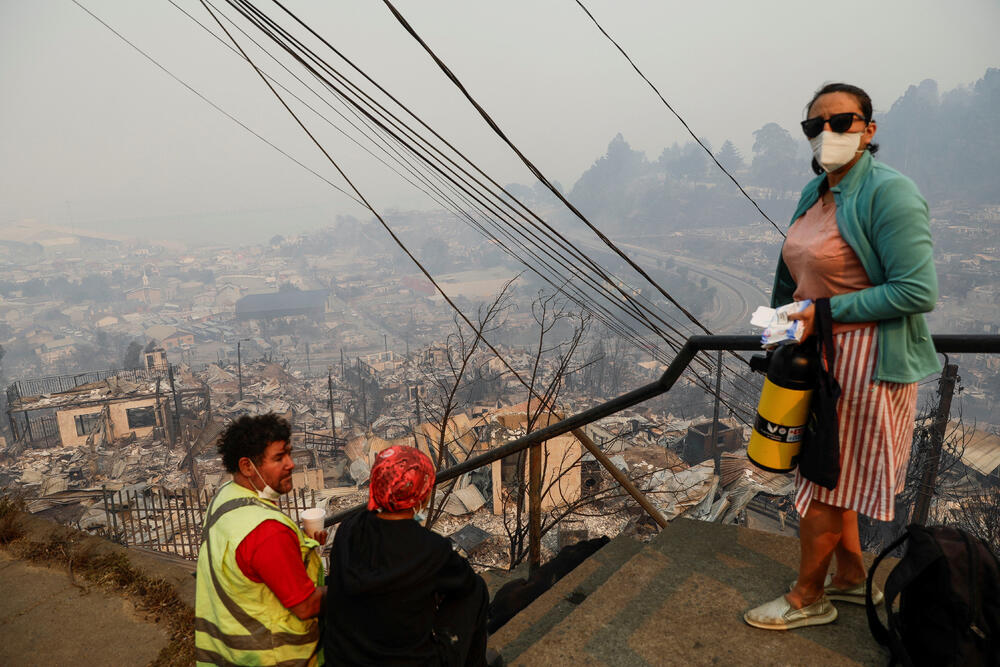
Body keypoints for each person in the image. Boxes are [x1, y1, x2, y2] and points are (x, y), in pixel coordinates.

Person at [744, 83, 939, 630]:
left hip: (867, 363)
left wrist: (822, 313)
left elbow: (917, 290)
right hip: (819, 353)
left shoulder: (890, 192)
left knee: (825, 480)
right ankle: (851, 580)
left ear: (868, 129)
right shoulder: (818, 193)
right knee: (836, 475)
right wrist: (783, 324)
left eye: (842, 120)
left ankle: (808, 597)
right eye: (815, 125)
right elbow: (794, 276)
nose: (827, 133)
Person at [324, 445, 489, 666]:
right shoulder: (430, 549)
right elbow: (466, 583)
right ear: (422, 494)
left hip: (343, 659)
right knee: (477, 589)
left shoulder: (349, 529)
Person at [195, 414, 327, 665]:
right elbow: (306, 606)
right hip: (274, 657)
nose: (291, 464)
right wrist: (353, 588)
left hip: (230, 655)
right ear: (247, 467)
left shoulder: (224, 498)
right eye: (279, 458)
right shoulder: (268, 532)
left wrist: (303, 545)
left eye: (289, 453)